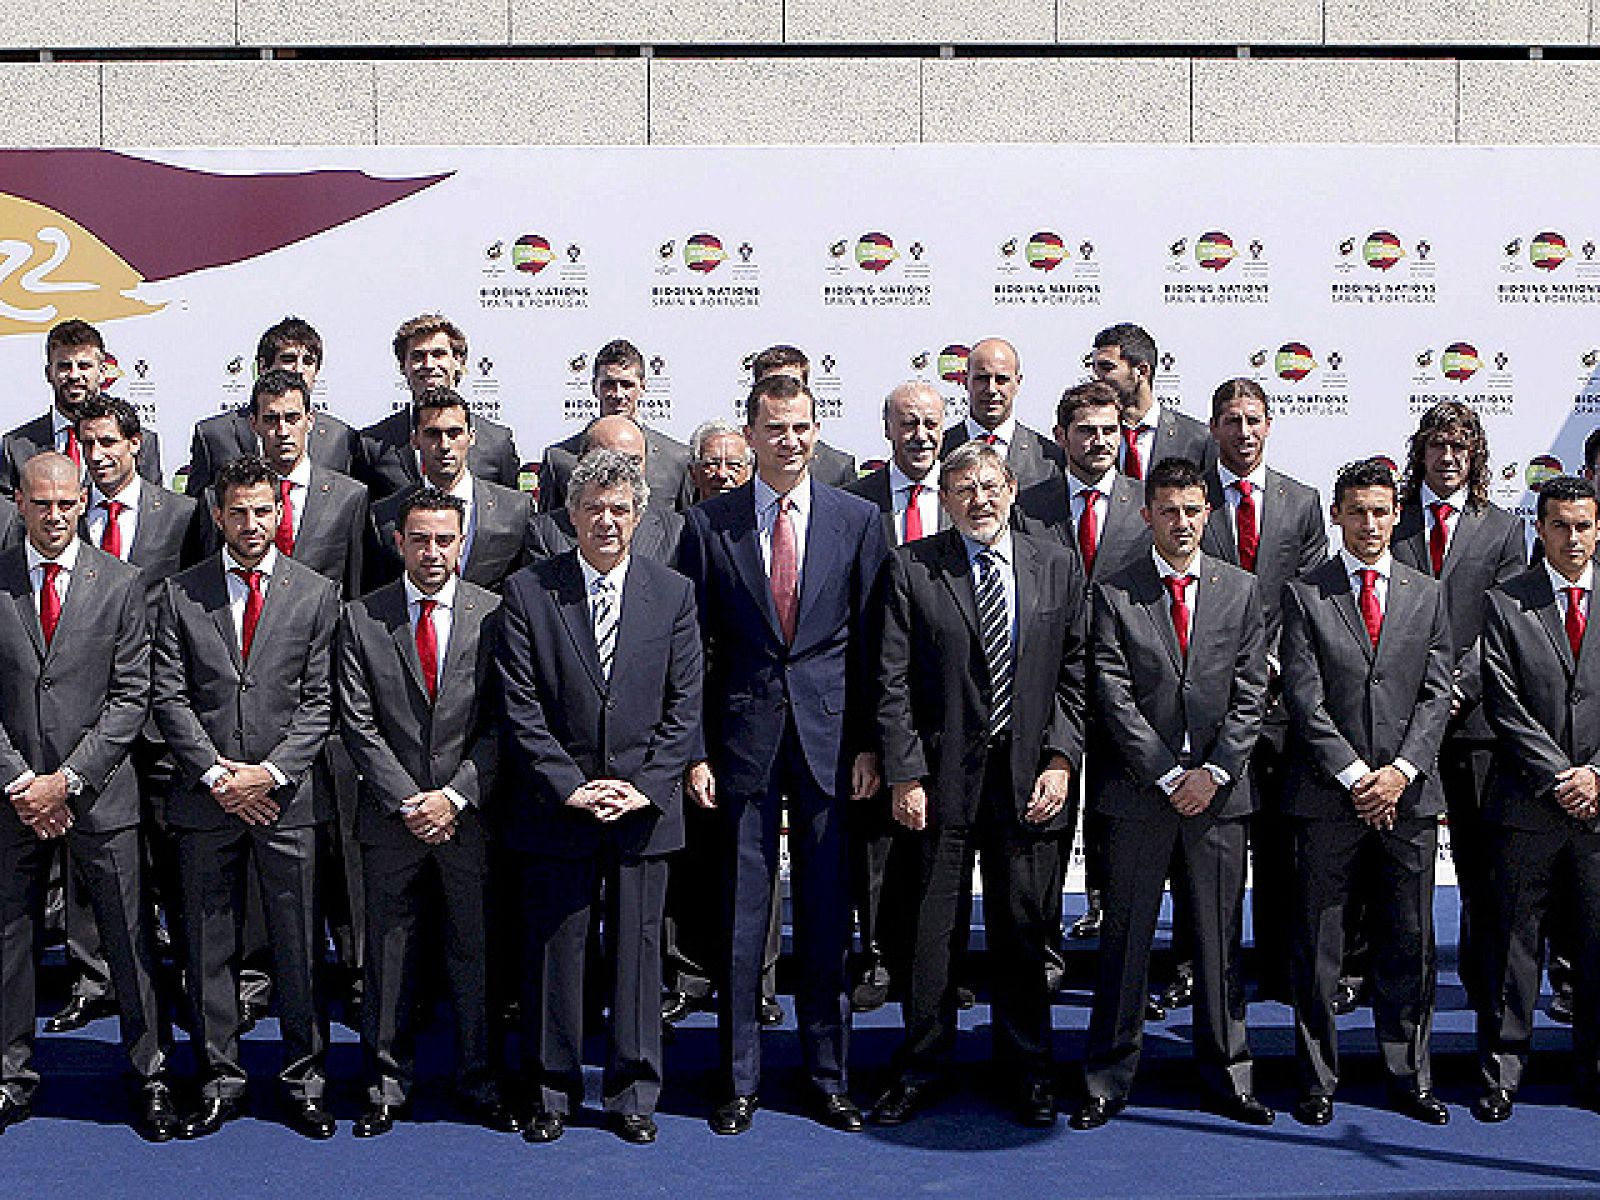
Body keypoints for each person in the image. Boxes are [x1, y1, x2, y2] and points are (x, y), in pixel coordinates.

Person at [678, 372, 888, 1135]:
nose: (790, 441)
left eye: (802, 427)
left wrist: (870, 742)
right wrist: (694, 751)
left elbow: (875, 646)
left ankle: (830, 1075)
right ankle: (738, 1080)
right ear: (751, 434)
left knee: (829, 918)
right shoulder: (710, 525)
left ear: (816, 428)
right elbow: (689, 649)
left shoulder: (858, 519)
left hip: (834, 744)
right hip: (741, 742)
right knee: (741, 917)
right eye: (775, 429)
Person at [871, 440, 1086, 1126]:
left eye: (989, 486)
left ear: (1012, 488)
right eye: (962, 490)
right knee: (932, 936)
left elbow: (1076, 676)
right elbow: (891, 683)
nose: (978, 499)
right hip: (939, 784)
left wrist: (1060, 758)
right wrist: (905, 772)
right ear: (946, 498)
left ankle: (1026, 1070)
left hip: (1029, 781)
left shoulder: (1056, 564)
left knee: (1025, 932)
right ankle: (924, 1066)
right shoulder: (912, 568)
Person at [497, 450, 702, 1145]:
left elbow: (684, 705)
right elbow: (520, 707)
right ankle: (551, 1090)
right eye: (594, 509)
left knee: (640, 956)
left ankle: (631, 1091)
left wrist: (642, 788)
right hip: (559, 808)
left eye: (620, 509)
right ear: (571, 516)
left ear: (639, 517)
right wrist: (573, 786)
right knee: (558, 951)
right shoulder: (530, 592)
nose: (607, 521)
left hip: (644, 812)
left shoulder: (674, 594)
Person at [1073, 456, 1271, 1130]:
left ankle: (1229, 1076)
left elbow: (1251, 694)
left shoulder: (1241, 591)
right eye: (1168, 511)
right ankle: (1107, 1078)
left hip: (1218, 798)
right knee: (1126, 943)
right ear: (1146, 514)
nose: (1181, 523)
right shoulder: (1115, 592)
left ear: (1207, 513)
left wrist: (1212, 773)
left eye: (1192, 510)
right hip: (1138, 796)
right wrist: (1165, 773)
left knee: (1218, 945)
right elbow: (1111, 693)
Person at [152, 455, 341, 1140]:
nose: (252, 523)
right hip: (207, 803)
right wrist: (218, 777)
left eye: (264, 510)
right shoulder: (180, 594)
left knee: (297, 948)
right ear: (217, 513)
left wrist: (269, 775)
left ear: (279, 511)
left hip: (287, 803)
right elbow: (168, 697)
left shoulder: (317, 593)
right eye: (239, 511)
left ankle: (304, 1081)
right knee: (208, 951)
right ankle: (220, 1080)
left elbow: (321, 703)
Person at [0, 452, 175, 1141]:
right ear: (20, 502)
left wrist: (66, 781)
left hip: (99, 796)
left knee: (130, 943)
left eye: (65, 504)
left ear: (84, 504)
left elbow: (134, 694)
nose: (53, 515)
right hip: (11, 798)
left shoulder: (123, 584)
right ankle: (10, 1076)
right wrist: (23, 782)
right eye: (40, 503)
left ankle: (150, 1073)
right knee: (9, 942)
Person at [1279, 457, 1454, 1127]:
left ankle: (1410, 1076)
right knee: (1321, 949)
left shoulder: (1426, 591)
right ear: (1337, 516)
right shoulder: (1306, 592)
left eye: (1382, 511)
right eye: (1358, 512)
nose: (1371, 524)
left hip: (1408, 800)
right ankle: (1318, 1080)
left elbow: (1437, 694)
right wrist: (1357, 776)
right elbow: (1303, 695)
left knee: (1409, 944)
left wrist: (1401, 772)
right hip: (1329, 801)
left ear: (1395, 515)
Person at [337, 488, 512, 1137]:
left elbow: (503, 722)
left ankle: (478, 1077)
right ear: (399, 542)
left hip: (467, 817)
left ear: (461, 542)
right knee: (388, 955)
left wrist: (455, 795)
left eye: (445, 539)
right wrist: (408, 799)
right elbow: (356, 722)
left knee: (475, 952)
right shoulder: (362, 618)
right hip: (392, 819)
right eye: (421, 539)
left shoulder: (496, 615)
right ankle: (385, 1083)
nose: (433, 551)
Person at [45, 397, 205, 1036]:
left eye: (110, 442)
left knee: (174, 860)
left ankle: (190, 982)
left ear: (137, 444)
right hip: (93, 725)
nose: (100, 455)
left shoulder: (184, 515)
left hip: (162, 723)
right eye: (88, 444)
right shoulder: (69, 515)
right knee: (91, 867)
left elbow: (200, 607)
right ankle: (94, 979)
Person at [1195, 378, 1328, 1009]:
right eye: (1229, 421)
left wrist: (1272, 668)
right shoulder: (1189, 501)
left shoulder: (1301, 502)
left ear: (1270, 424)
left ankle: (1279, 967)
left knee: (1279, 848)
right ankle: (1200, 969)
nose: (1242, 433)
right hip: (1205, 702)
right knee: (1203, 856)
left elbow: (1308, 603)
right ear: (1213, 428)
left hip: (1277, 706)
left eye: (1252, 420)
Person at [1392, 402, 1526, 1013]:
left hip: (1472, 723)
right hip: (1393, 719)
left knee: (1481, 862)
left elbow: (1507, 623)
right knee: (1389, 860)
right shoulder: (1388, 521)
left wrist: (1454, 689)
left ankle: (1483, 980)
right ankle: (1384, 976)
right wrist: (1418, 695)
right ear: (1419, 451)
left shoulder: (1501, 529)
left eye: (1460, 449)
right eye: (1437, 446)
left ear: (1475, 458)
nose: (1448, 459)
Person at [1474, 474, 1600, 1123]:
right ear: (1540, 529)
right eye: (1559, 525)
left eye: (1583, 525)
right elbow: (1504, 701)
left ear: (1598, 528)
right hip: (1526, 807)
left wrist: (1596, 776)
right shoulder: (1506, 603)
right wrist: (1561, 775)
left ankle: (1595, 1071)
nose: (1572, 537)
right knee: (1514, 948)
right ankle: (1502, 1073)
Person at [1016, 380, 1151, 965]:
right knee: (1046, 829)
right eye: (1086, 431)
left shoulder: (1148, 505)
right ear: (1060, 437)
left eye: (1109, 431)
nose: (1099, 442)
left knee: (1126, 835)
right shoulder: (1028, 504)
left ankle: (1123, 959)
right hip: (1050, 688)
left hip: (1132, 690)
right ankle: (1041, 952)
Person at [843, 381, 946, 1013]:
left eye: (931, 423)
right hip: (877, 694)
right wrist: (863, 737)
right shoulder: (856, 508)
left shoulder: (970, 495)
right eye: (908, 424)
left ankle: (938, 960)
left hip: (950, 706)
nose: (921, 436)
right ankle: (878, 957)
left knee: (942, 843)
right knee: (877, 842)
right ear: (887, 430)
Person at [368, 387, 533, 592]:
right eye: (432, 434)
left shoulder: (515, 509)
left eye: (454, 433)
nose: (444, 445)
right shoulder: (384, 515)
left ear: (471, 437)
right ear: (415, 441)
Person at [184, 316, 358, 498]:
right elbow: (199, 514)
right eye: (288, 359)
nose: (299, 369)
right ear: (263, 367)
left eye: (308, 361)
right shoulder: (214, 435)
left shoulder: (340, 438)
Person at [356, 314, 521, 499]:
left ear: (458, 361)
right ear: (403, 366)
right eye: (418, 356)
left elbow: (511, 514)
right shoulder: (372, 444)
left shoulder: (497, 442)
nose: (429, 364)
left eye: (438, 354)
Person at [1, 319, 161, 495]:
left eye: (84, 366)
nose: (74, 375)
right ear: (49, 373)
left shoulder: (142, 441)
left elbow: (150, 513)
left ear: (102, 373)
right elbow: (9, 518)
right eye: (64, 366)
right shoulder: (15, 447)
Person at [536, 339, 692, 513]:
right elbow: (547, 531)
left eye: (627, 385)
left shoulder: (676, 459)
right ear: (594, 387)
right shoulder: (559, 459)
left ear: (642, 387)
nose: (618, 394)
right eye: (609, 384)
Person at [525, 415, 683, 564]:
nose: (621, 470)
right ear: (581, 461)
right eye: (609, 458)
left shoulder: (674, 531)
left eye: (633, 461)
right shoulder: (545, 532)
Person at [939, 338, 1065, 490]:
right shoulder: (938, 452)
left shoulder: (1049, 458)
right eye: (982, 379)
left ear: (1017, 383)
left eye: (1001, 379)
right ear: (966, 381)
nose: (991, 389)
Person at [1089, 322, 1209, 480]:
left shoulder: (1197, 439)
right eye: (1094, 368)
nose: (1096, 377)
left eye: (1107, 368)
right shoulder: (1087, 437)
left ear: (1142, 371)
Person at [749, 344, 859, 488]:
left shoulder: (837, 467)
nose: (783, 390)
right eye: (772, 384)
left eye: (791, 383)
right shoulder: (730, 463)